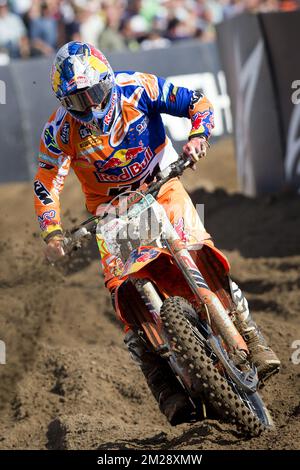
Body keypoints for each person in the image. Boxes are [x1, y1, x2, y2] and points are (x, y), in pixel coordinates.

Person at [33, 41, 280, 425]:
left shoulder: (140, 88)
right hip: (112, 213)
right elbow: (47, 182)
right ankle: (164, 385)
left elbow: (195, 102)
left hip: (161, 185)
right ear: (65, 103)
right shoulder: (60, 130)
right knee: (126, 293)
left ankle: (249, 333)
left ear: (108, 81)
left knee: (199, 252)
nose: (91, 106)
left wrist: (198, 135)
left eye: (94, 93)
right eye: (78, 101)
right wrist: (52, 233)